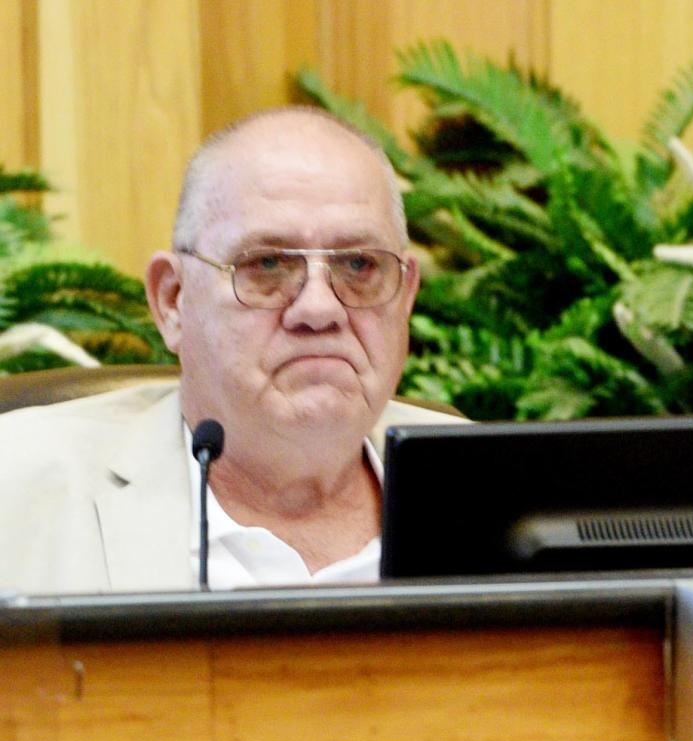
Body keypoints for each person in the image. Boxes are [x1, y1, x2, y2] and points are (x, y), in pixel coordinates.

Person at [0, 107, 465, 595]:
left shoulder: (500, 482)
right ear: (173, 301)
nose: (319, 308)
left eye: (358, 264)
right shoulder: (15, 488)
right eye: (266, 264)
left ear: (406, 295)